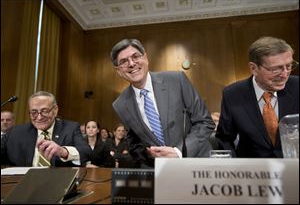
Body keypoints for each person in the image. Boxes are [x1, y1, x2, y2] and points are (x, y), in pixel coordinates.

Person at [110, 39, 215, 167]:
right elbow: (135, 142)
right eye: (124, 62)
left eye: (135, 56)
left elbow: (205, 122)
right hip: (161, 170)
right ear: (118, 70)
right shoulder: (120, 105)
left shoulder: (177, 80)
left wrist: (178, 152)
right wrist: (146, 160)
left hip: (198, 164)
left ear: (146, 58)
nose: (131, 63)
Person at [215, 36, 299, 158]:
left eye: (289, 66)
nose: (285, 74)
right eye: (276, 69)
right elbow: (225, 139)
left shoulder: (297, 86)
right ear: (254, 68)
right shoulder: (232, 94)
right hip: (252, 171)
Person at [1, 91, 92, 166]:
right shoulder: (16, 132)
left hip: (58, 184)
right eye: (34, 112)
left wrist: (63, 151)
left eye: (45, 111)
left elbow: (86, 152)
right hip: (22, 183)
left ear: (55, 110)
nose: (39, 117)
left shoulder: (70, 128)